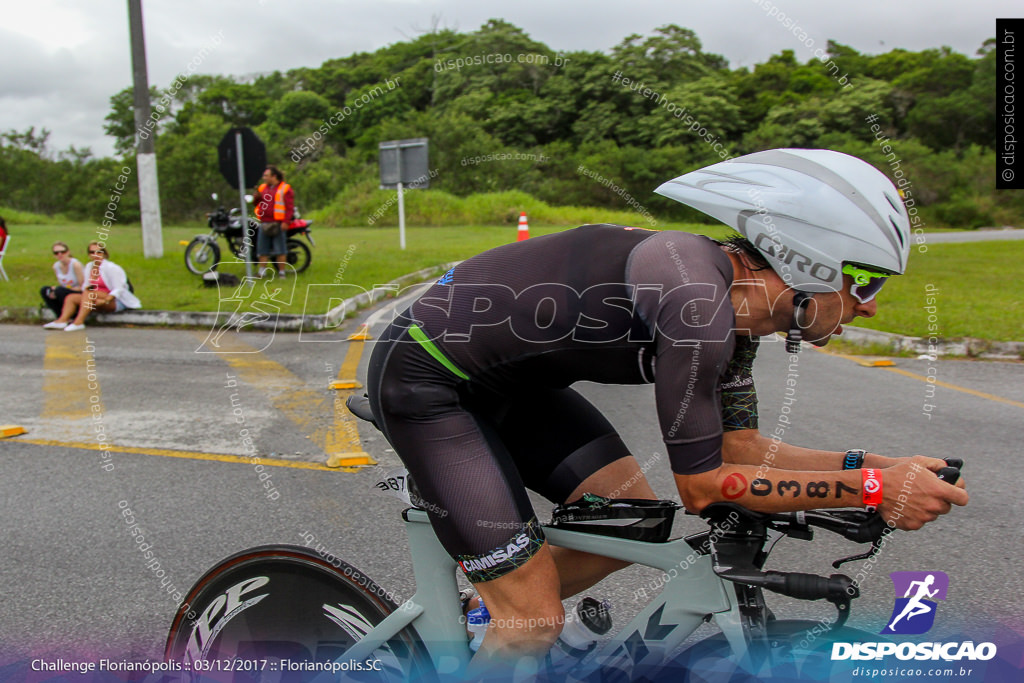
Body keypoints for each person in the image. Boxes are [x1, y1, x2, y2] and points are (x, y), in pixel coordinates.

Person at [365, 148, 969, 669]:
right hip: (428, 386)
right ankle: (507, 614)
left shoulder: (734, 317)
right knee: (533, 626)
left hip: (511, 386)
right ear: (810, 263)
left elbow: (740, 451)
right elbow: (704, 489)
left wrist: (876, 465)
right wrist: (869, 489)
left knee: (631, 520)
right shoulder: (696, 304)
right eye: (866, 283)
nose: (867, 307)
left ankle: (483, 608)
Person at [43, 242, 141, 331]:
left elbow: (119, 289)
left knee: (89, 292)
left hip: (113, 300)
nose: (95, 255)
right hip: (93, 297)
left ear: (104, 253)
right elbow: (85, 286)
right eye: (92, 252)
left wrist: (105, 300)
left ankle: (78, 322)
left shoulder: (112, 268)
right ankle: (62, 320)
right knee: (71, 297)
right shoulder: (89, 267)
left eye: (99, 252)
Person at [253, 165, 293, 278]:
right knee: (262, 249)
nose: (264, 178)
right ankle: (262, 271)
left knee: (280, 249)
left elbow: (289, 207)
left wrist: (286, 221)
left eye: (266, 175)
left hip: (278, 223)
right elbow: (256, 203)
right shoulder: (262, 188)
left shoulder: (285, 188)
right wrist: (256, 197)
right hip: (264, 222)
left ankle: (281, 272)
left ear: (274, 176)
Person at [40, 241, 85, 316]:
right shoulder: (56, 266)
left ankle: (71, 316)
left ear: (68, 252)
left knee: (59, 291)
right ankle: (60, 316)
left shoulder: (75, 265)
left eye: (62, 252)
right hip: (64, 290)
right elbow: (63, 284)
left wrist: (64, 289)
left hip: (78, 292)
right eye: (56, 253)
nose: (60, 254)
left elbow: (83, 287)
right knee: (45, 290)